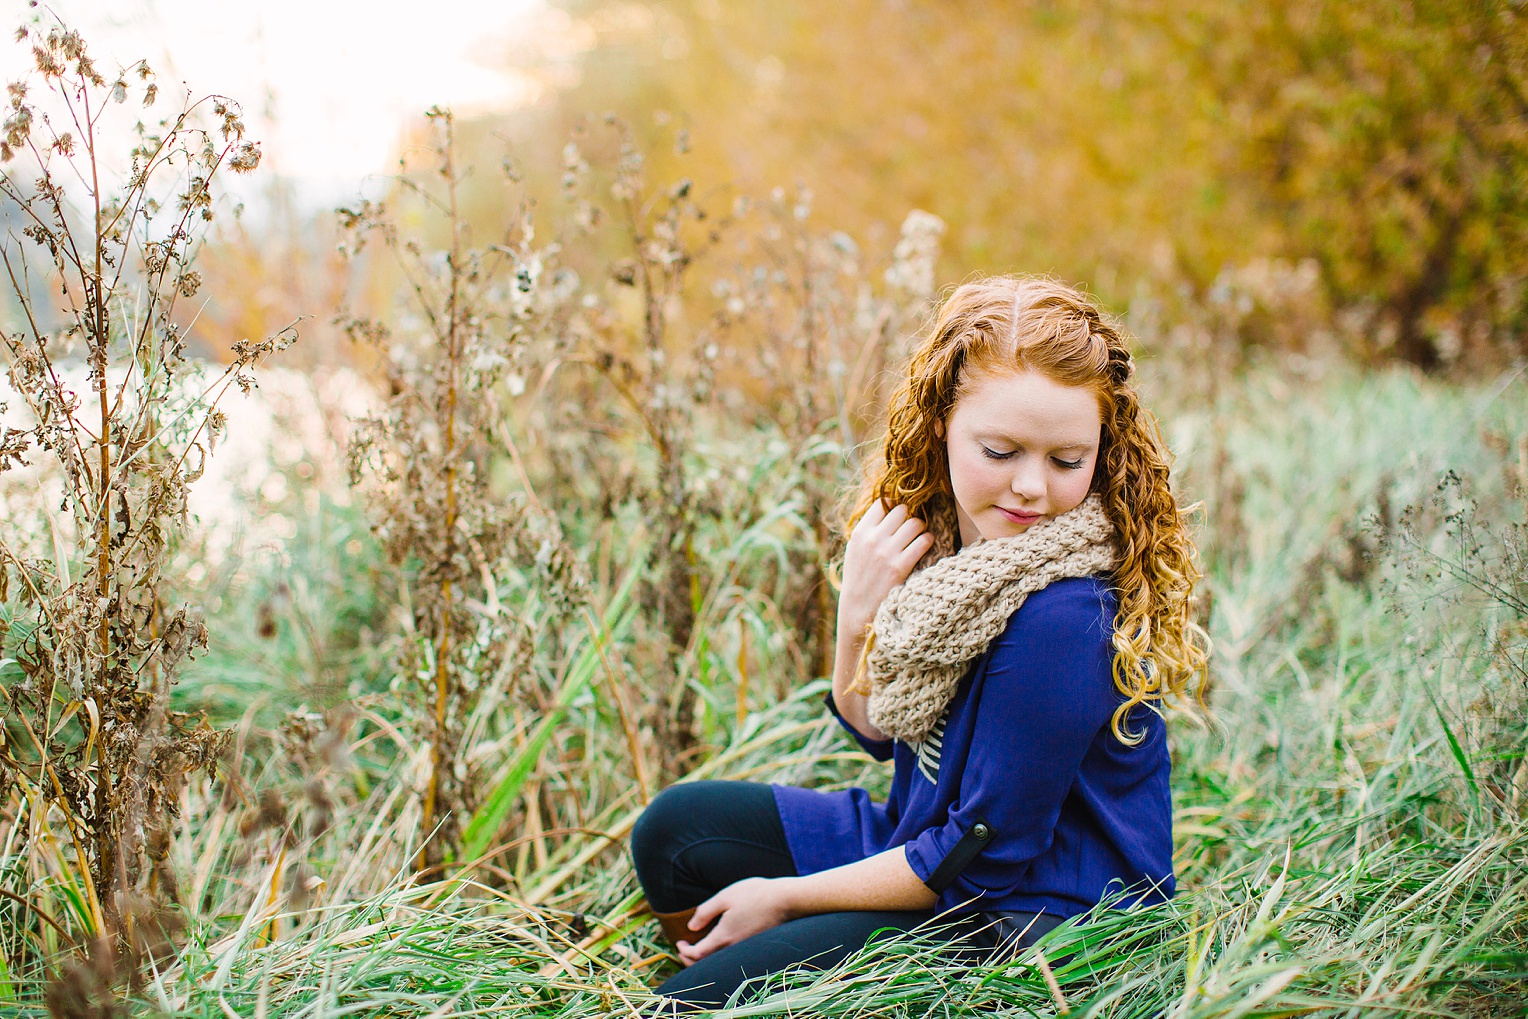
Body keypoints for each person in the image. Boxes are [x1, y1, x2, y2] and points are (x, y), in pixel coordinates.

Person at [629, 275, 1210, 1011]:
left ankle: (744, 980)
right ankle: (738, 962)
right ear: (941, 423)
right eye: (1000, 449)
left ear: (1102, 446)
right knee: (676, 833)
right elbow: (877, 730)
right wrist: (858, 614)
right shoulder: (950, 548)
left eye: (1067, 460)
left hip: (1037, 923)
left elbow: (976, 860)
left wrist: (785, 899)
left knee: (681, 1010)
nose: (1031, 486)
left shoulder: (1067, 616)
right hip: (931, 844)